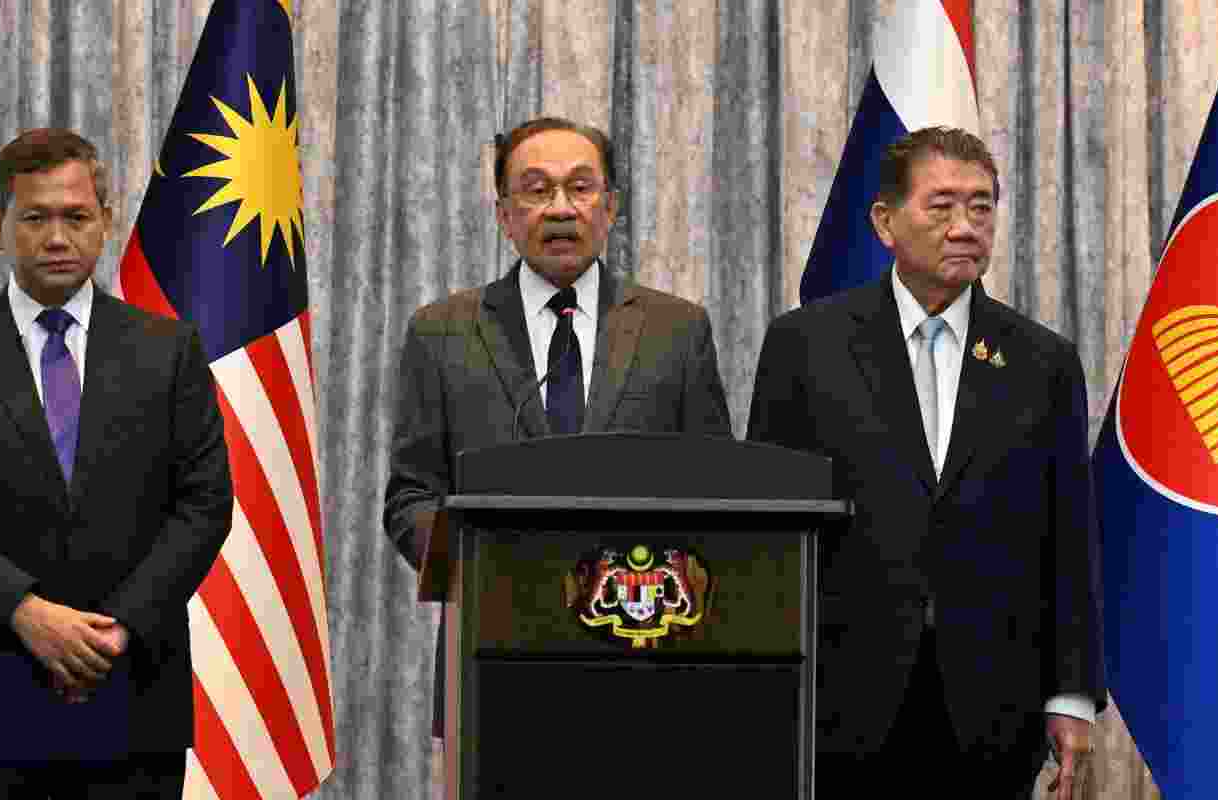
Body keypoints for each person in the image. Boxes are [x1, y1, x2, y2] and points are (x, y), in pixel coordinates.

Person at [747, 127, 1105, 798]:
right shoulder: (806, 345)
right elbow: (770, 528)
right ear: (885, 222)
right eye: (941, 206)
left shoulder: (1043, 361)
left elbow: (1069, 535)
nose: (965, 227)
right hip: (842, 701)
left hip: (993, 707)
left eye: (981, 206)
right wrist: (767, 684)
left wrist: (1072, 694)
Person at [0, 128, 232, 798]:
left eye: (76, 217)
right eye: (34, 217)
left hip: (130, 698)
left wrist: (117, 627)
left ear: (106, 222)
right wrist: (24, 611)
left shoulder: (169, 351)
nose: (56, 238)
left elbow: (204, 504)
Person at [383, 116, 733, 727]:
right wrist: (473, 566)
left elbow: (716, 487)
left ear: (611, 207)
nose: (561, 208)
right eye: (537, 190)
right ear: (504, 214)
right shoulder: (443, 333)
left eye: (580, 187)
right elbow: (411, 494)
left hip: (645, 653)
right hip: (492, 655)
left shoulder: (677, 331)